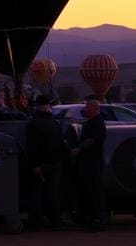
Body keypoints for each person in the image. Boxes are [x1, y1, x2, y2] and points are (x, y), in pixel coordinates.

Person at [26, 94, 65, 231]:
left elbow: (31, 146)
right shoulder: (54, 123)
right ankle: (55, 221)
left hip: (41, 165)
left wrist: (34, 165)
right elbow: (61, 143)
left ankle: (37, 222)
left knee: (37, 194)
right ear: (48, 106)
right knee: (53, 194)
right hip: (54, 163)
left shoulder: (33, 123)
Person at [71, 96, 106, 231]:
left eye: (87, 107)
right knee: (89, 191)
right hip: (89, 161)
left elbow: (92, 140)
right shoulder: (91, 122)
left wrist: (79, 149)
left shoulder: (97, 122)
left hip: (94, 162)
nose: (85, 109)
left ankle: (98, 220)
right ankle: (91, 218)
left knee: (95, 191)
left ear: (94, 109)